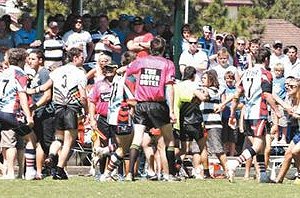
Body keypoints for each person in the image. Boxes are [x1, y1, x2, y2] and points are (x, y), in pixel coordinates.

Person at [27, 47, 88, 180]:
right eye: (82, 57)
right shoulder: (79, 73)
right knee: (68, 142)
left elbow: (44, 87)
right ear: (75, 57)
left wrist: (29, 91)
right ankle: (60, 169)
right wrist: (87, 111)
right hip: (71, 109)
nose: (84, 59)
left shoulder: (58, 70)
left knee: (58, 139)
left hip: (58, 109)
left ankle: (51, 155)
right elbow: (83, 96)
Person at [124, 36, 177, 181]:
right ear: (163, 49)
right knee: (169, 140)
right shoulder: (168, 64)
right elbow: (169, 87)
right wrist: (171, 110)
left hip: (141, 104)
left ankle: (129, 174)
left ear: (150, 48)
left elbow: (127, 72)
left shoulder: (141, 61)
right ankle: (170, 174)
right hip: (157, 104)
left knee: (137, 138)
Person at [226, 47, 280, 183]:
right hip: (259, 113)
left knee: (260, 148)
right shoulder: (265, 73)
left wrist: (232, 113)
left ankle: (262, 175)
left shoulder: (245, 73)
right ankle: (234, 163)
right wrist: (276, 110)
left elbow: (237, 94)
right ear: (267, 59)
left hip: (248, 114)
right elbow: (266, 94)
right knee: (257, 145)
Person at [0, 48, 37, 180]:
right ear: (22, 60)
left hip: (2, 111)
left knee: (10, 142)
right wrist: (28, 116)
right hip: (13, 112)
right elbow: (22, 95)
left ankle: (14, 172)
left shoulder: (4, 72)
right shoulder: (19, 73)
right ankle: (28, 171)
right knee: (30, 138)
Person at [174, 66, 209, 179]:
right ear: (193, 75)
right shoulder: (193, 86)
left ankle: (175, 167)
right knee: (203, 148)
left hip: (182, 121)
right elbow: (203, 97)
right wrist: (206, 93)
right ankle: (207, 173)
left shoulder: (178, 85)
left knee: (184, 149)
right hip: (195, 121)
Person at [26, 50, 56, 179]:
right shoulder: (35, 74)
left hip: (46, 113)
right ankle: (38, 172)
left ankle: (56, 169)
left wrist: (35, 106)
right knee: (40, 142)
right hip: (37, 113)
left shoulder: (44, 73)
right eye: (29, 59)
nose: (30, 61)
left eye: (33, 59)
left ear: (40, 60)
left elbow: (47, 95)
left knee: (47, 142)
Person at [194, 70, 229, 177]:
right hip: (202, 122)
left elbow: (209, 95)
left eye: (205, 78)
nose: (202, 80)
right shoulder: (200, 89)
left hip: (213, 123)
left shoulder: (216, 90)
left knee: (218, 149)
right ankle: (204, 172)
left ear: (211, 79)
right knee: (201, 148)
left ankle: (227, 170)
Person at [273, 78, 300, 184]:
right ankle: (278, 180)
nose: (288, 87)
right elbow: (276, 98)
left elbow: (293, 112)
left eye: (292, 86)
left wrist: (295, 114)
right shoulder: (291, 99)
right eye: (288, 86)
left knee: (295, 151)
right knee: (288, 153)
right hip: (299, 132)